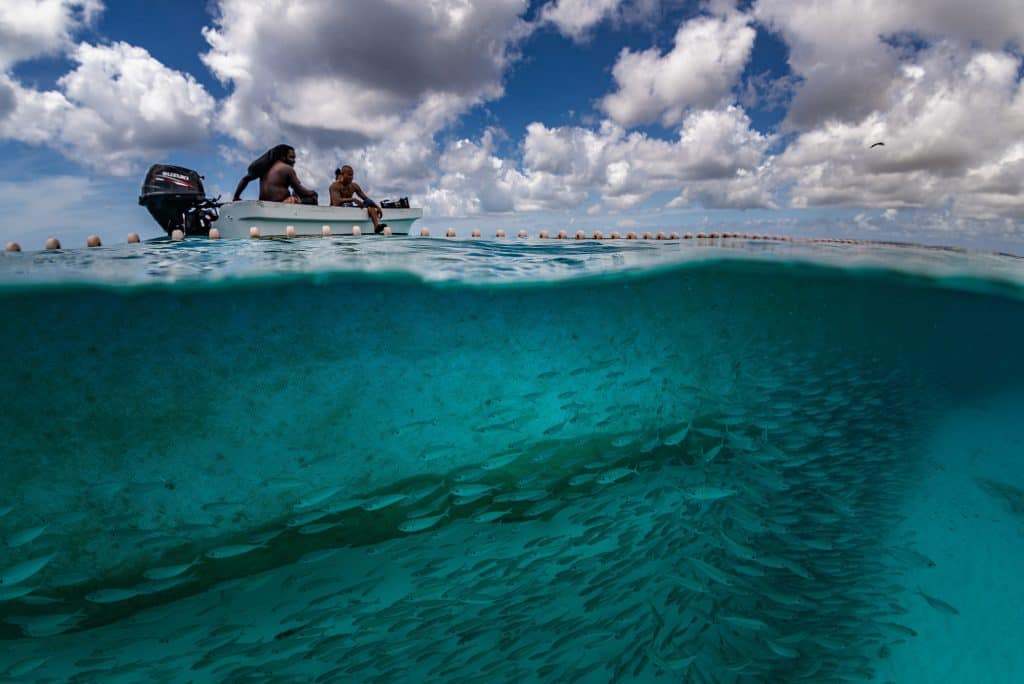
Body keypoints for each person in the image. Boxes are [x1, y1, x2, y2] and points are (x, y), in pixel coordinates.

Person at [233, 144, 318, 204]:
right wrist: (313, 193)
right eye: (291, 157)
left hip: (264, 204)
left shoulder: (264, 168)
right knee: (312, 197)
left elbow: (245, 179)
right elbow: (301, 191)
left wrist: (236, 197)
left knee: (294, 194)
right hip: (281, 204)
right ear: (282, 157)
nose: (294, 160)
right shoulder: (287, 168)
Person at [329, 165, 387, 233]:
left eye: (352, 175)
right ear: (342, 174)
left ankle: (376, 226)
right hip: (339, 209)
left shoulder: (354, 186)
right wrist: (353, 199)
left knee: (370, 204)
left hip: (350, 208)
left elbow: (366, 198)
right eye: (349, 175)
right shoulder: (335, 185)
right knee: (347, 204)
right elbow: (336, 202)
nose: (351, 177)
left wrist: (377, 207)